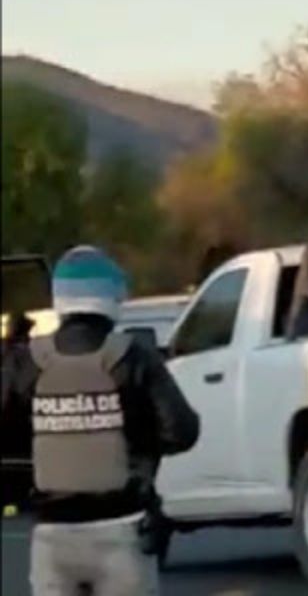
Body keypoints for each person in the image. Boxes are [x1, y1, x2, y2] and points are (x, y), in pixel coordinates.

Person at [0, 246, 201, 595]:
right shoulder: (133, 356)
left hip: (51, 536)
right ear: (112, 296)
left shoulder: (28, 361)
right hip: (122, 531)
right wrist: (135, 442)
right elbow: (182, 431)